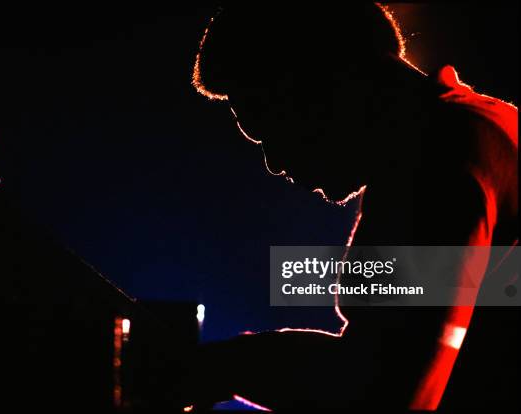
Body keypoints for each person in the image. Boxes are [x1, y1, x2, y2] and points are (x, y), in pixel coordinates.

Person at [190, 3, 518, 410]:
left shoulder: (437, 157)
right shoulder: (486, 129)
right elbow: (382, 358)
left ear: (327, 77)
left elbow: (378, 392)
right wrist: (231, 364)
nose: (273, 162)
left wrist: (223, 367)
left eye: (269, 124)